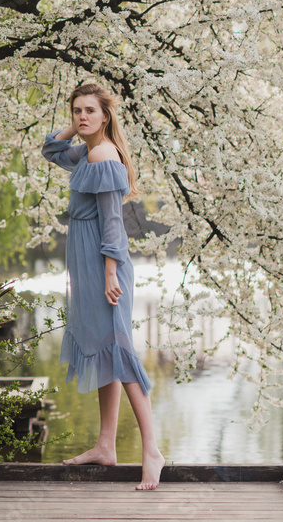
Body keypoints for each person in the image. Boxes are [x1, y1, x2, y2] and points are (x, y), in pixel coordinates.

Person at [42, 82, 165, 491]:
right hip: (88, 264)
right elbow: (50, 149)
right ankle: (106, 446)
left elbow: (113, 222)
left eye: (90, 110)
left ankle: (152, 451)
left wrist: (110, 273)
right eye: (77, 110)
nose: (82, 116)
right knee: (103, 349)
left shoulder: (103, 155)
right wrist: (75, 128)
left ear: (106, 115)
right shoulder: (85, 151)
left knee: (119, 351)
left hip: (103, 266)